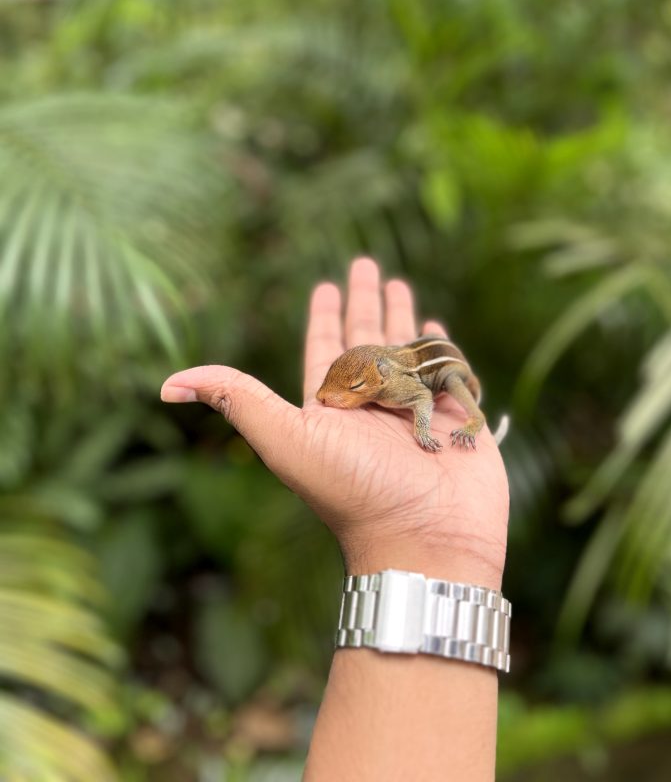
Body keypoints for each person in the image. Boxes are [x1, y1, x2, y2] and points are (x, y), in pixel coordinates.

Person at [161, 257, 510, 781]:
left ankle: (480, 417)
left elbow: (422, 399)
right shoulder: (368, 370)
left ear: (372, 381)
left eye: (347, 392)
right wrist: (427, 545)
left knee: (457, 384)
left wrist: (427, 432)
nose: (331, 401)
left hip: (440, 368)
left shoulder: (401, 386)